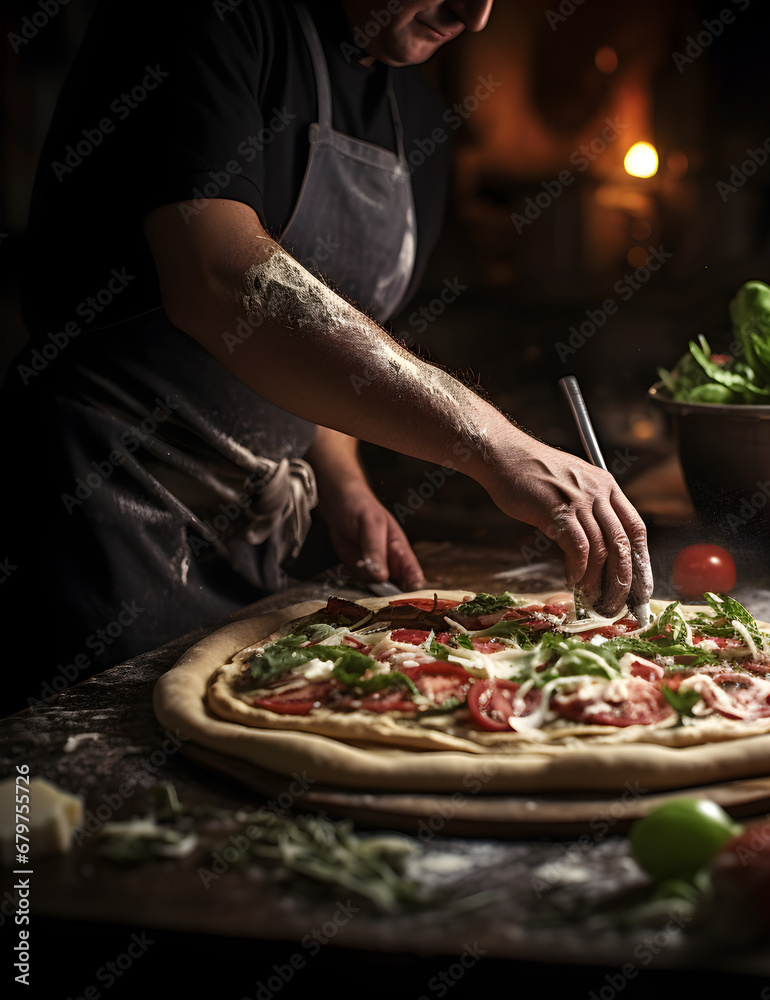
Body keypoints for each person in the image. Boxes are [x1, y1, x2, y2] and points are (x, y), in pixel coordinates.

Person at [2, 0, 651, 709]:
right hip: (106, 509)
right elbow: (219, 279)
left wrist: (343, 481)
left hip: (264, 529)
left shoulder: (418, 112)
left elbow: (336, 336)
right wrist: (492, 442)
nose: (475, 16)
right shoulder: (205, 21)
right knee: (81, 788)